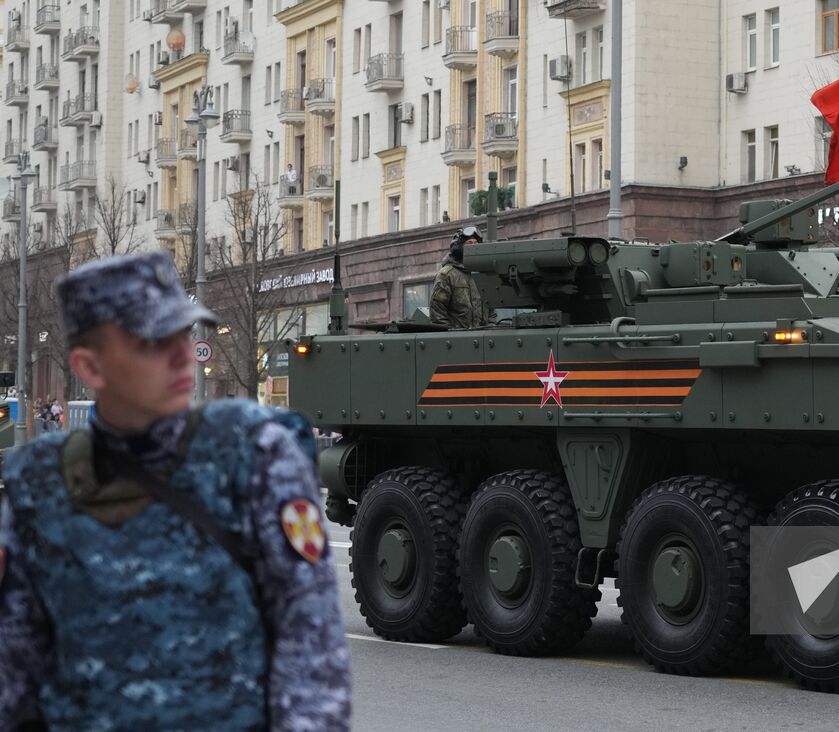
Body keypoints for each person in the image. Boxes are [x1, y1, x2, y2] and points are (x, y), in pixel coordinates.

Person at [0, 252, 351, 729]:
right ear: (90, 367)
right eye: (153, 342)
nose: (183, 354)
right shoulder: (36, 484)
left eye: (184, 332)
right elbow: (15, 672)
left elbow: (311, 648)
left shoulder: (256, 455)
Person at [430, 225, 494, 329]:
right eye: (469, 243)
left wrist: (490, 330)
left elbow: (492, 310)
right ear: (459, 248)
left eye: (476, 243)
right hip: (457, 340)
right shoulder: (447, 275)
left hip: (483, 339)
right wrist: (451, 335)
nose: (474, 246)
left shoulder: (483, 274)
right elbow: (437, 312)